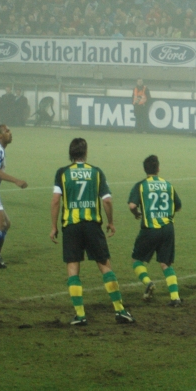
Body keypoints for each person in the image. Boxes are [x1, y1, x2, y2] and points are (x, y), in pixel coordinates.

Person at [50, 138, 135, 325]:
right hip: (92, 225)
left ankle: (80, 315)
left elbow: (56, 200)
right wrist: (111, 222)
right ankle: (120, 310)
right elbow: (107, 200)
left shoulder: (62, 173)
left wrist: (54, 226)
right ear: (85, 152)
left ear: (71, 153)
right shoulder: (96, 172)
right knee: (105, 265)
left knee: (73, 268)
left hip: (70, 226)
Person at [128, 155, 183, 306]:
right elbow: (178, 206)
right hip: (167, 229)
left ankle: (148, 282)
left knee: (137, 260)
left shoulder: (141, 185)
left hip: (150, 229)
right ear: (158, 168)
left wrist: (137, 214)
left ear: (145, 169)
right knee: (166, 264)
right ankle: (175, 297)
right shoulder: (168, 185)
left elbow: (132, 206)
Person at [0, 125, 28, 269]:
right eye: (7, 131)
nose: (10, 133)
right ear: (0, 136)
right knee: (0, 224)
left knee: (6, 224)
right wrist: (16, 180)